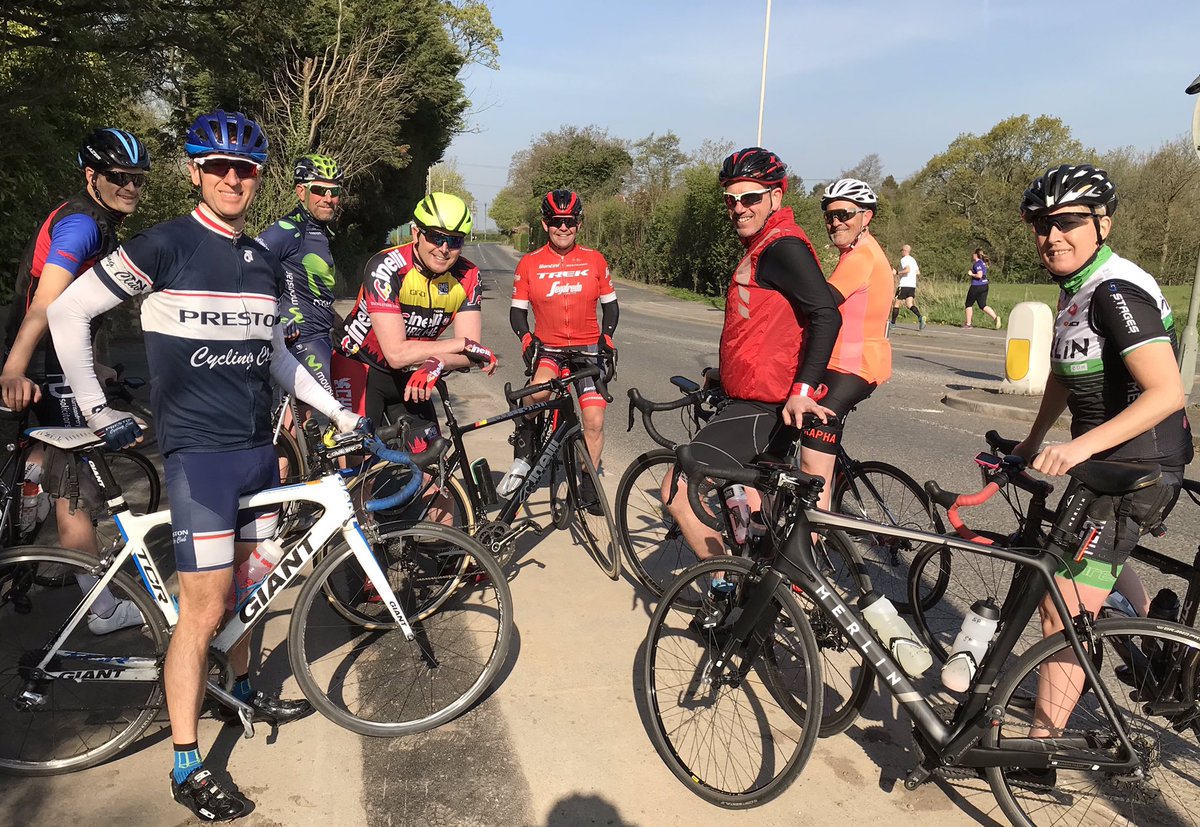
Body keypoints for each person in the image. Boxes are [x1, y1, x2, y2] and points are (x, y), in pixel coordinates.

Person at [47, 109, 367, 823]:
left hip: (259, 451)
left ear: (259, 177)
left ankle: (243, 688)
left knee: (254, 589)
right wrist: (99, 412)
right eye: (217, 166)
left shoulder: (260, 260)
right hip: (199, 459)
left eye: (244, 169)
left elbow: (277, 355)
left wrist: (341, 414)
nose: (231, 178)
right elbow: (68, 314)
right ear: (194, 170)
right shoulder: (162, 245)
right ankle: (186, 763)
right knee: (204, 608)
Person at [1010, 164, 1191, 767]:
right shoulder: (1079, 288)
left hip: (1135, 467)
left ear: (1102, 224)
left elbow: (1167, 392)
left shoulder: (1116, 291)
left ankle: (1042, 749)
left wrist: (1081, 448)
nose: (1052, 236)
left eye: (1068, 222)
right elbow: (1066, 373)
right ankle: (1152, 642)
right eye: (1042, 224)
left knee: (1060, 602)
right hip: (1108, 465)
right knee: (1093, 570)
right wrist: (1032, 438)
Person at [1, 127, 150, 635]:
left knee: (45, 463)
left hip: (47, 360)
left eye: (137, 179)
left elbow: (71, 314)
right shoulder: (83, 227)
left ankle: (24, 518)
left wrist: (90, 366)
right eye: (118, 177)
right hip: (35, 360)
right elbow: (47, 304)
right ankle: (101, 609)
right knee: (78, 484)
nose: (130, 187)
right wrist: (17, 370)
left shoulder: (91, 218)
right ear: (92, 176)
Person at [665, 147, 840, 562]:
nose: (738, 207)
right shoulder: (766, 244)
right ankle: (760, 589)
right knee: (753, 508)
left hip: (764, 406)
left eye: (751, 198)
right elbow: (768, 327)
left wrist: (802, 389)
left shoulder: (782, 247)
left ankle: (724, 588)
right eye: (731, 199)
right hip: (757, 397)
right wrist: (725, 373)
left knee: (676, 489)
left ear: (776, 197)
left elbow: (826, 316)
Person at [332, 191, 497, 445]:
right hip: (358, 365)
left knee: (431, 464)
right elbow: (396, 353)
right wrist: (459, 345)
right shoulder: (387, 267)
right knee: (359, 463)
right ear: (416, 233)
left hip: (411, 372)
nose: (444, 249)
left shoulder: (469, 275)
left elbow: (471, 352)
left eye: (454, 241)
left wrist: (438, 361)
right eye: (436, 237)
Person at [506, 189, 618, 507]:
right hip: (550, 347)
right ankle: (526, 427)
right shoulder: (529, 264)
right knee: (538, 392)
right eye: (557, 221)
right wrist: (527, 339)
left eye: (570, 221)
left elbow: (611, 308)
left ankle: (588, 481)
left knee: (594, 420)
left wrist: (607, 339)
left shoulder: (594, 260)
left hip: (587, 349)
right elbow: (517, 312)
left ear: (578, 224)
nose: (563, 227)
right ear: (545, 224)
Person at [803, 178, 893, 512]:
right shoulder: (856, 252)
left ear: (865, 217)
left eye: (844, 214)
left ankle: (812, 548)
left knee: (812, 469)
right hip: (850, 364)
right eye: (829, 216)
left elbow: (820, 305)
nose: (835, 222)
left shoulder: (861, 257)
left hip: (852, 366)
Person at [257, 153, 345, 404]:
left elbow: (313, 291)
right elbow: (247, 268)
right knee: (339, 407)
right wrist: (274, 318)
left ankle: (283, 444)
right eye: (319, 190)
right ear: (300, 191)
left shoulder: (319, 232)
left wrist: (341, 324)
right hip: (302, 338)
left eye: (334, 191)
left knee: (303, 420)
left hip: (321, 334)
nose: (328, 199)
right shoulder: (288, 230)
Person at [890, 244, 926, 330]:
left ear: (904, 251)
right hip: (912, 285)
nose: (901, 252)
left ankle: (893, 323)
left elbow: (907, 270)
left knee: (896, 304)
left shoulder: (904, 259)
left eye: (901, 250)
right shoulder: (913, 260)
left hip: (904, 284)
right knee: (909, 304)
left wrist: (897, 273)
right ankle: (920, 317)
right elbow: (917, 272)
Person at [962, 248, 1001, 329]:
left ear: (976, 255)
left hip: (977, 286)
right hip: (985, 285)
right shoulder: (983, 263)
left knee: (968, 304)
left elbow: (979, 275)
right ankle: (995, 318)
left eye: (973, 254)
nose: (972, 255)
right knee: (982, 305)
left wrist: (971, 274)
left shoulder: (977, 264)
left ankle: (968, 324)